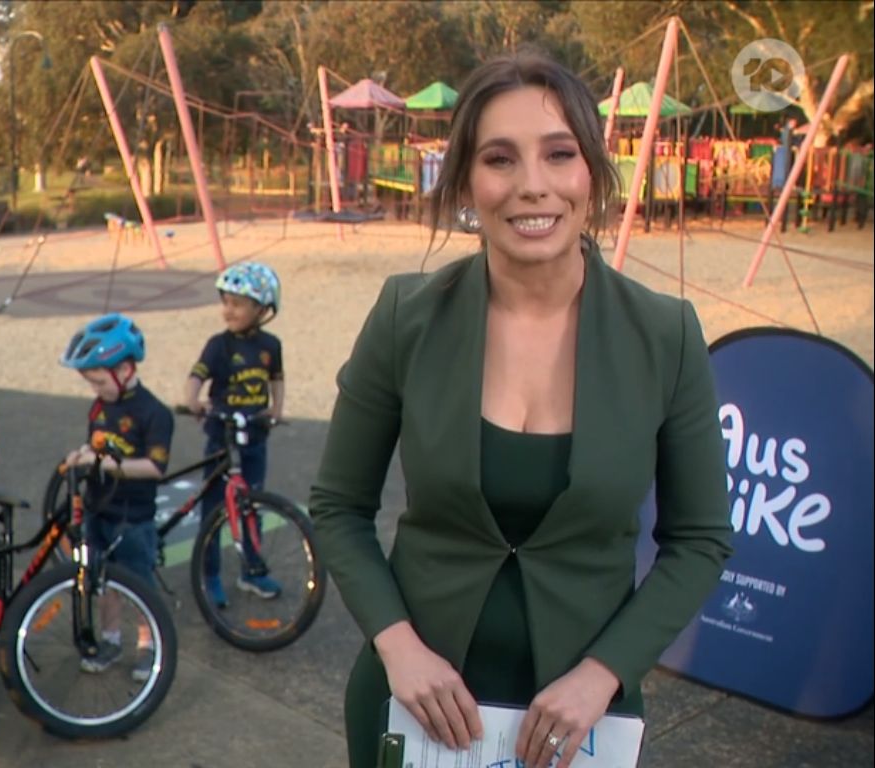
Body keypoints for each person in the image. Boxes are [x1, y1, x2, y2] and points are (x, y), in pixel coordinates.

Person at [308, 50, 733, 768]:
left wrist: (604, 673)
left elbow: (700, 540)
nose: (532, 185)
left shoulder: (667, 335)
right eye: (500, 159)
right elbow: (338, 506)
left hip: (580, 721)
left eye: (559, 154)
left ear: (592, 172)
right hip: (413, 706)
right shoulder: (406, 317)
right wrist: (398, 647)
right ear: (466, 181)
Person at [60, 313, 174, 682]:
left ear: (124, 370)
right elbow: (96, 446)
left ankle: (148, 644)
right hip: (100, 508)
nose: (95, 390)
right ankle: (110, 639)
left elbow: (155, 467)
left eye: (98, 381)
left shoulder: (154, 413)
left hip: (133, 515)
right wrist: (82, 455)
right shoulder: (100, 407)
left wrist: (108, 464)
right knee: (104, 581)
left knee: (138, 584)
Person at [183, 262, 285, 608]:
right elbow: (197, 375)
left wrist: (276, 408)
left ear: (262, 309)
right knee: (213, 511)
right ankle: (209, 574)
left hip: (254, 438)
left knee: (250, 505)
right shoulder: (218, 346)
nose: (228, 310)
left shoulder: (271, 345)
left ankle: (252, 571)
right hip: (221, 440)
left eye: (237, 304)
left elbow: (276, 378)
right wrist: (192, 399)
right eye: (225, 302)